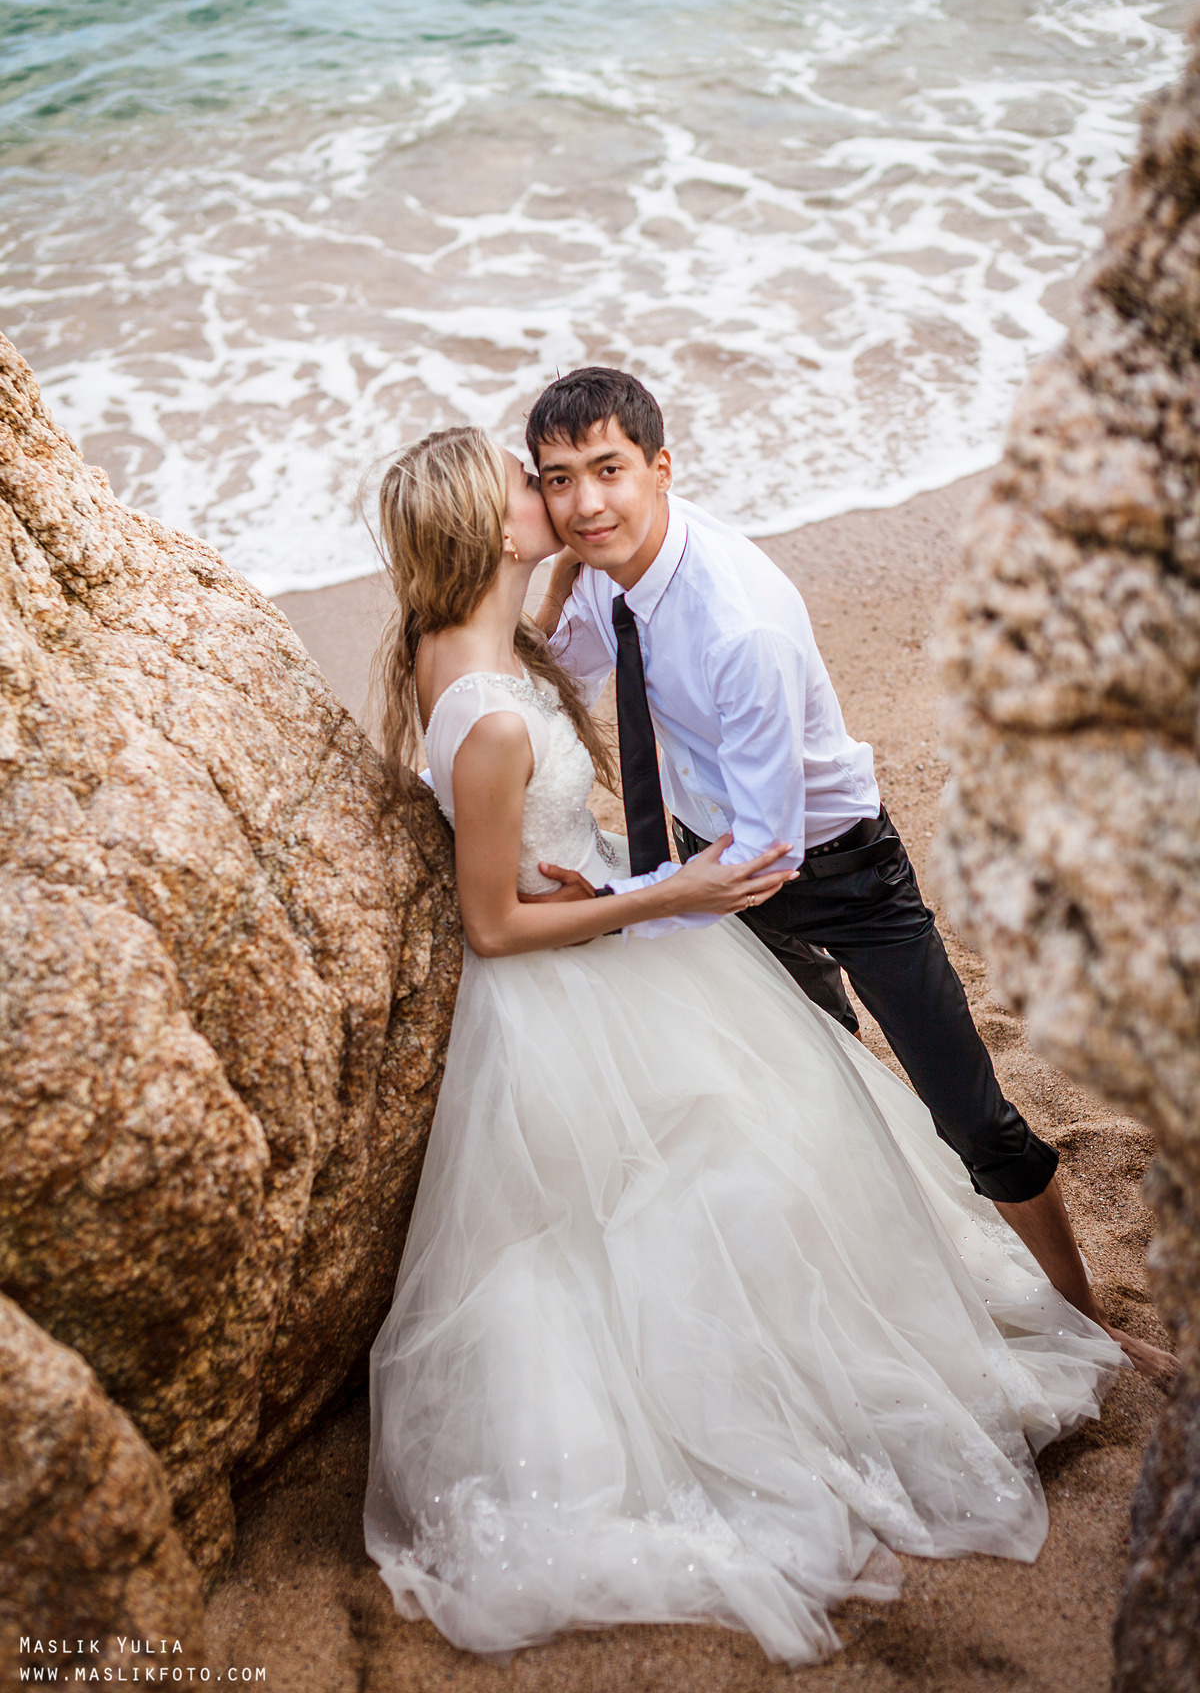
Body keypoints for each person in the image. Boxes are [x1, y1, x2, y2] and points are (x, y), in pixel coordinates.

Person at [364, 423, 1125, 1666]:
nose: (556, 494)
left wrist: (594, 876)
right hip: (584, 962)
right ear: (489, 525)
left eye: (578, 474)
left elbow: (504, 845)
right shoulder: (493, 706)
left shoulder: (466, 646)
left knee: (761, 1135)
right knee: (715, 1172)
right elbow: (492, 925)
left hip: (621, 912)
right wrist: (660, 898)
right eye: (534, 484)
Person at [529, 365, 1175, 1391]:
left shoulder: (734, 622)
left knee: (969, 1110)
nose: (585, 502)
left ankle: (1096, 1326)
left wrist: (620, 910)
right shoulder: (606, 556)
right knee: (813, 1092)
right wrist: (555, 570)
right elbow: (567, 671)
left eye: (607, 471)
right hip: (710, 860)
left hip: (831, 869)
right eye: (557, 481)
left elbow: (768, 853)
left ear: (660, 467)